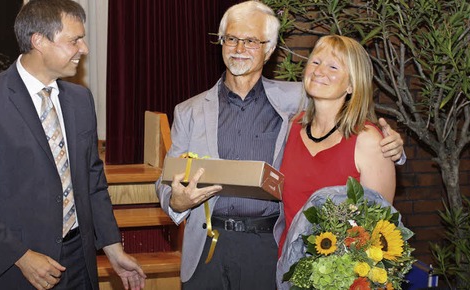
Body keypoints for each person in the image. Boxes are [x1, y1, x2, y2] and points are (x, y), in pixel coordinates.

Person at [155, 1, 404, 289]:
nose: (238, 48)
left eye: (250, 41)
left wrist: (394, 150)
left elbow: (348, 116)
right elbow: (165, 179)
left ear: (269, 49)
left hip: (269, 247)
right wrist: (176, 201)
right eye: (232, 39)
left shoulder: (298, 98)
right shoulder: (189, 111)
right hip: (207, 246)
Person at [0, 1, 145, 289]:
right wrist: (22, 257)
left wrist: (112, 247)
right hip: (15, 269)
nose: (84, 49)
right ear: (38, 40)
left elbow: (92, 180)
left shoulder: (80, 100)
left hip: (79, 262)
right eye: (74, 40)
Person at [277, 34, 397, 254]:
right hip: (287, 269)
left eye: (333, 67)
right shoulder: (291, 128)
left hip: (343, 276)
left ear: (352, 85)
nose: (319, 71)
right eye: (315, 62)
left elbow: (380, 226)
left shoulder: (368, 141)